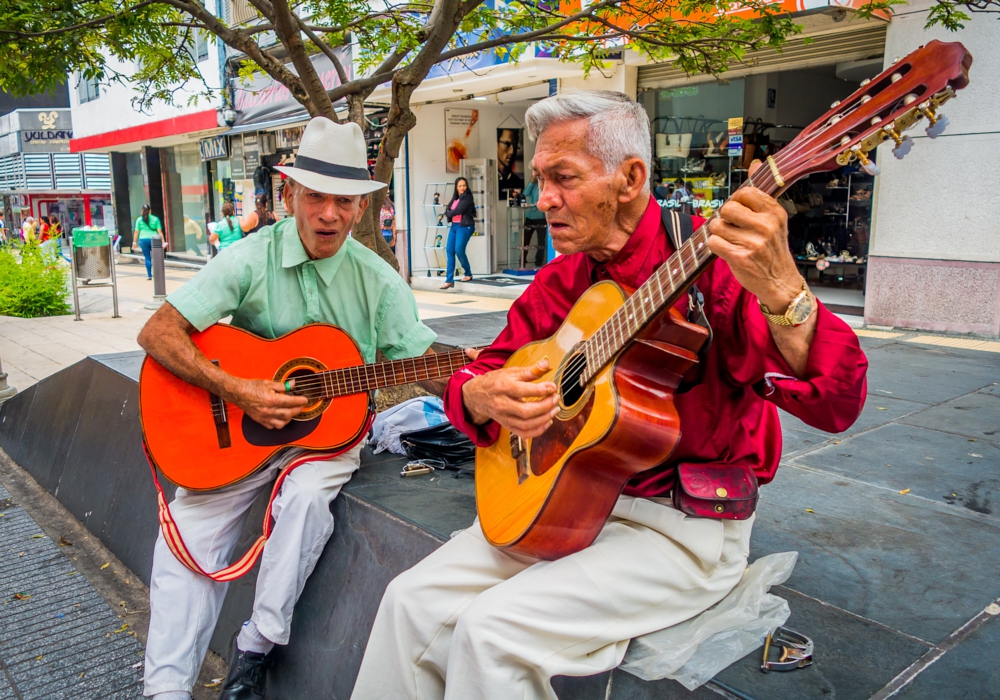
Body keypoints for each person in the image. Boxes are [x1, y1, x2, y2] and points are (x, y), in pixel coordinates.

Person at [350, 91, 868, 700]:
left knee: (492, 633)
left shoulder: (715, 268)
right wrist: (484, 394)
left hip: (678, 527)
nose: (543, 199)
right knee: (408, 601)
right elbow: (482, 370)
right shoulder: (561, 279)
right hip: (560, 506)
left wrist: (785, 292)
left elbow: (838, 403)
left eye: (562, 178)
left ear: (630, 178)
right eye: (541, 178)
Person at [136, 116, 443, 700]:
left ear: (362, 209)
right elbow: (159, 333)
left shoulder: (379, 281)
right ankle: (164, 691)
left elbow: (422, 362)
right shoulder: (250, 257)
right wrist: (237, 390)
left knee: (304, 502)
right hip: (237, 433)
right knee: (186, 534)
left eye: (344, 201)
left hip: (329, 436)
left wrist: (487, 372)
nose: (329, 213)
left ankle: (256, 646)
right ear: (290, 196)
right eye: (316, 196)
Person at [440, 177, 475, 290]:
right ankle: (449, 280)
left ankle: (468, 273)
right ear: (456, 187)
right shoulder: (455, 198)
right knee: (450, 251)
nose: (462, 188)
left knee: (459, 250)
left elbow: (458, 211)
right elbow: (450, 209)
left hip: (465, 226)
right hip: (454, 226)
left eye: (464, 185)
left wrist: (448, 213)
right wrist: (448, 212)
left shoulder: (467, 197)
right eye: (460, 186)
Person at [521, 174, 547, 268]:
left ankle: (539, 262)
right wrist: (531, 181)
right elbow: (525, 193)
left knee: (541, 242)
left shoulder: (546, 185)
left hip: (541, 217)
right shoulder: (533, 184)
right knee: (525, 240)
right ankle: (522, 261)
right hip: (530, 216)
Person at [134, 205, 165, 280]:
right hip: (154, 239)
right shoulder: (155, 219)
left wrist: (134, 242)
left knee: (147, 257)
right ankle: (158, 274)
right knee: (156, 257)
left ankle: (149, 275)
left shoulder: (139, 219)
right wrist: (163, 241)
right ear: (150, 210)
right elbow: (159, 231)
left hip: (143, 240)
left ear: (142, 210)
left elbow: (136, 231)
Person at [497, 128, 524, 199]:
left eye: (515, 146)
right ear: (496, 144)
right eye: (507, 144)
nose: (512, 151)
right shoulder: (490, 181)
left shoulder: (519, 182)